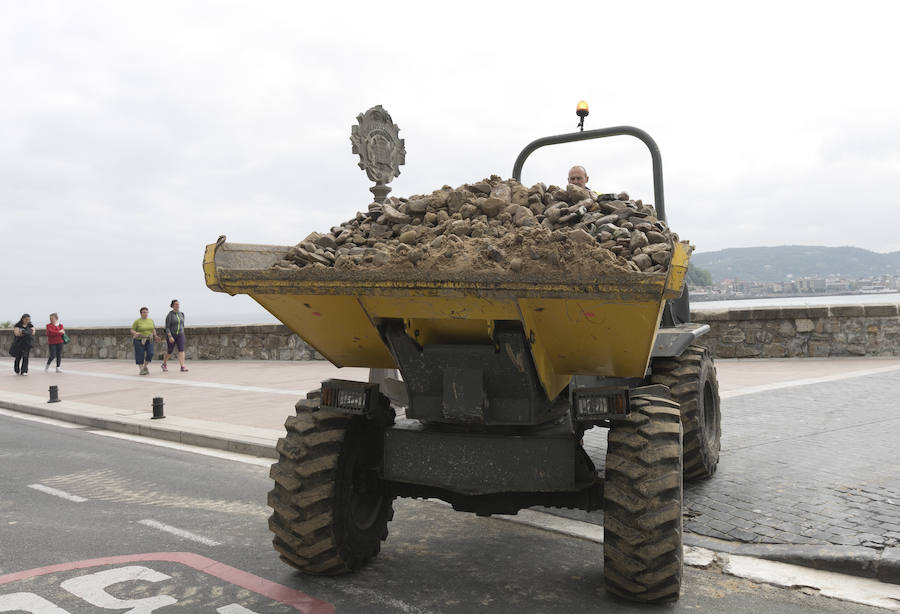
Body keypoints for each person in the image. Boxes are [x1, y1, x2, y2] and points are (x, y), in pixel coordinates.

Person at [130, 307, 160, 376]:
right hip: (139, 340)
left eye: (146, 312)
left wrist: (155, 336)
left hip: (149, 339)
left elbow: (153, 329)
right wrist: (135, 333)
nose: (145, 313)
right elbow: (131, 330)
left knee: (151, 353)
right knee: (140, 354)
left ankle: (145, 366)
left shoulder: (151, 320)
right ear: (141, 313)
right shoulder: (137, 321)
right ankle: (141, 370)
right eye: (144, 312)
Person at [161, 299, 188, 372]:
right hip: (172, 335)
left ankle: (182, 366)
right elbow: (167, 327)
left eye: (178, 304)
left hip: (181, 334)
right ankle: (164, 364)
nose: (177, 305)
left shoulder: (181, 314)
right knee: (169, 351)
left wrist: (182, 332)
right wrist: (170, 336)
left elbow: (182, 325)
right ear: (172, 306)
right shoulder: (170, 315)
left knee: (181, 350)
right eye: (176, 304)